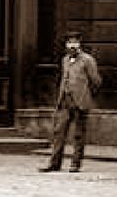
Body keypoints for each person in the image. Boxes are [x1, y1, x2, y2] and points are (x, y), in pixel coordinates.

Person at [42, 31, 102, 173]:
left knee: (78, 134)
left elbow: (97, 81)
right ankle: (54, 164)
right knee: (58, 133)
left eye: (75, 42)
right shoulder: (65, 59)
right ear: (66, 45)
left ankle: (75, 164)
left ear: (80, 44)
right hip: (64, 101)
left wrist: (85, 96)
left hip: (80, 102)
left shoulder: (87, 60)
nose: (72, 45)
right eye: (69, 42)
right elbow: (64, 79)